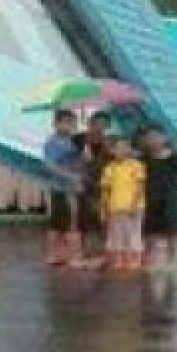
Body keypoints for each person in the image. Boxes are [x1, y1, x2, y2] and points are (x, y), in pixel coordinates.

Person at [141, 126, 177, 270]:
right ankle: (149, 258)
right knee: (150, 229)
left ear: (164, 139)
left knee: (171, 229)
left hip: (170, 198)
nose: (152, 140)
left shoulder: (174, 158)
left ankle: (171, 259)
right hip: (150, 197)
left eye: (155, 137)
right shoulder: (144, 159)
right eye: (149, 138)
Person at [99, 133, 146, 271]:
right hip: (115, 207)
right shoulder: (109, 168)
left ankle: (134, 259)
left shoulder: (136, 165)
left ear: (130, 149)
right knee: (116, 235)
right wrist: (105, 208)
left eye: (125, 147)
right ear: (112, 151)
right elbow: (106, 190)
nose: (122, 150)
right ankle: (119, 260)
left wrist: (134, 205)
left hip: (134, 207)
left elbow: (140, 187)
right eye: (118, 148)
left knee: (133, 233)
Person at [42, 109, 83, 265]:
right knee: (59, 223)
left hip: (71, 188)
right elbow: (49, 166)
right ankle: (55, 254)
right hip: (60, 188)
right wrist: (70, 176)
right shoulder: (52, 143)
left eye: (72, 123)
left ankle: (64, 254)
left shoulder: (72, 142)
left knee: (69, 221)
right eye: (65, 122)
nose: (69, 126)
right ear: (55, 124)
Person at [72, 111, 112, 266]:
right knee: (83, 218)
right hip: (83, 183)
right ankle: (84, 253)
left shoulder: (109, 142)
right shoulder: (78, 139)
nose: (99, 128)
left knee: (102, 218)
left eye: (103, 125)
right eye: (96, 124)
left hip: (103, 183)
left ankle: (102, 253)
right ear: (89, 123)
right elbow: (68, 157)